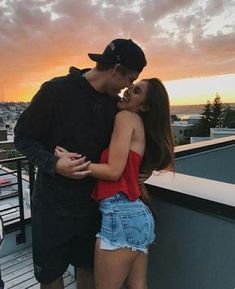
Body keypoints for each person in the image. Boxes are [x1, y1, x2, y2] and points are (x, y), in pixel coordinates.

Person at [14, 39, 147, 289]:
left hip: (93, 209)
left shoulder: (114, 106)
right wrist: (54, 163)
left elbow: (129, 146)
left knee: (88, 272)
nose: (128, 87)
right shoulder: (57, 91)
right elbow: (23, 137)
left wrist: (140, 170)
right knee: (51, 276)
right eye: (129, 79)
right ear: (115, 70)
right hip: (51, 208)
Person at [55, 77, 175, 289]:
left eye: (136, 91)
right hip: (138, 217)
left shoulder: (126, 117)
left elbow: (113, 171)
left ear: (145, 106)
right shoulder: (139, 124)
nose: (128, 90)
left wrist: (70, 164)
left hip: (120, 216)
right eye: (131, 86)